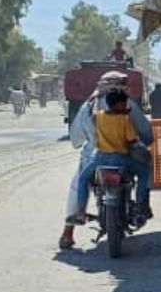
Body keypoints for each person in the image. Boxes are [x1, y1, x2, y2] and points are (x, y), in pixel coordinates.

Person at [59, 72, 152, 249]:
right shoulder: (127, 107)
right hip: (125, 157)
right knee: (146, 170)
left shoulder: (90, 107)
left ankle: (68, 232)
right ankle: (141, 206)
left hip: (95, 158)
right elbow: (146, 135)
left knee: (79, 183)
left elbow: (75, 140)